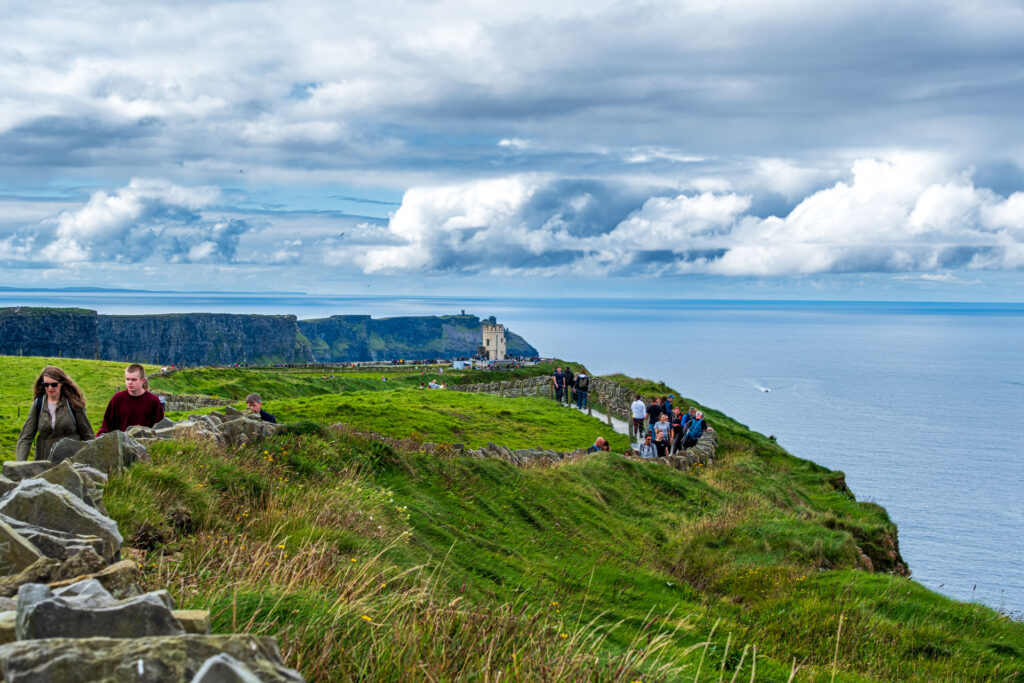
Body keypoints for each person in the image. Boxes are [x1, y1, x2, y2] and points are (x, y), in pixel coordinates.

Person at [16, 366, 94, 461]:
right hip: (44, 464)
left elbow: (88, 435)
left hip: (70, 464)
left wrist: (91, 462)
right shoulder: (38, 404)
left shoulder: (74, 404)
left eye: (54, 384)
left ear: (61, 384)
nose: (50, 388)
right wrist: (18, 464)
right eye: (46, 385)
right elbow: (25, 438)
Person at [96, 364, 165, 435]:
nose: (130, 383)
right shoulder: (117, 398)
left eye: (134, 379)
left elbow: (160, 429)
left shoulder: (153, 401)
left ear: (143, 380)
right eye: (127, 379)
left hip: (145, 443)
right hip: (120, 443)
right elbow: (106, 426)